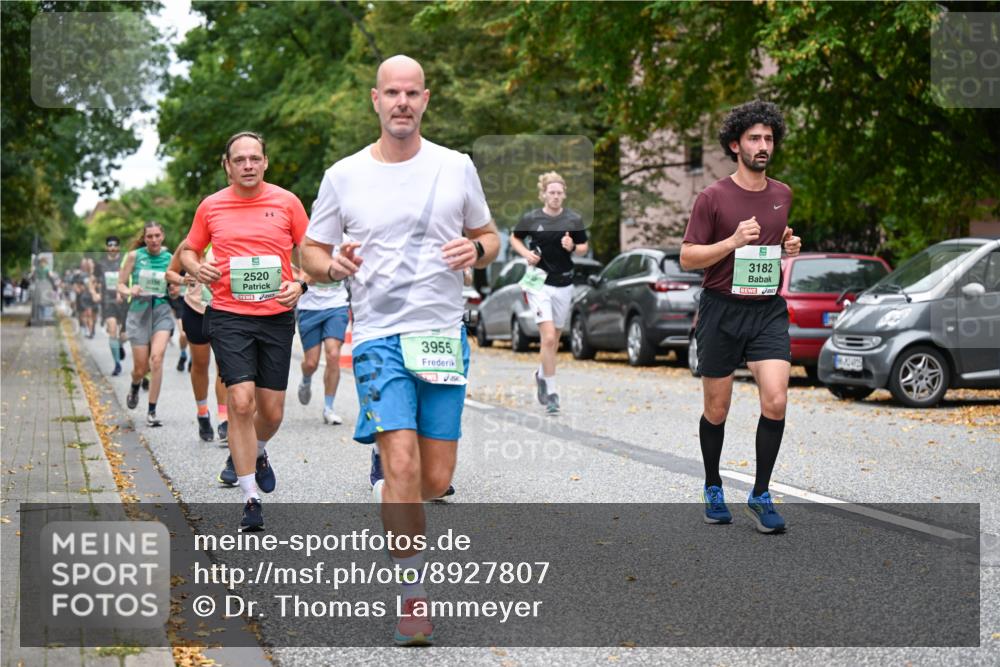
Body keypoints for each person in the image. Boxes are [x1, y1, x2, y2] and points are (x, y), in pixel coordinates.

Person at [302, 54, 499, 646]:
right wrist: (329, 264)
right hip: (379, 338)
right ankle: (412, 596)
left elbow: (488, 234)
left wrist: (479, 253)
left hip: (441, 336)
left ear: (426, 99)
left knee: (434, 480)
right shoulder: (344, 175)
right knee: (405, 466)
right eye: (392, 92)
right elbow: (310, 252)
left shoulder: (456, 166)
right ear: (375, 99)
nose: (402, 102)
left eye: (412, 92)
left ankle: (392, 481)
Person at [679, 100, 801, 534]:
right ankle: (713, 485)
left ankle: (761, 493)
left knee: (776, 399)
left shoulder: (782, 194)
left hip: (767, 309)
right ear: (736, 144)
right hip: (721, 310)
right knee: (717, 409)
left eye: (768, 138)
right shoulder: (712, 197)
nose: (763, 145)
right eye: (754, 138)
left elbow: (774, 239)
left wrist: (787, 246)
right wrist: (731, 241)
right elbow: (689, 256)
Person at [181, 131, 309, 532]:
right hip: (229, 315)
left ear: (265, 163)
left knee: (270, 412)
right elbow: (188, 248)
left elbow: (313, 255)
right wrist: (195, 266)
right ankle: (251, 497)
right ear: (227, 165)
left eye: (255, 158)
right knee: (240, 401)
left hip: (275, 316)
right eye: (240, 160)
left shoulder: (287, 202)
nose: (248, 165)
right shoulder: (212, 206)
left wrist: (301, 282)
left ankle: (259, 451)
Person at [510, 171, 589, 414]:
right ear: (543, 194)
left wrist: (573, 246)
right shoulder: (532, 218)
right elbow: (515, 238)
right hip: (539, 283)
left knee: (554, 338)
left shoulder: (573, 220)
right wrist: (526, 255)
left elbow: (584, 248)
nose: (555, 196)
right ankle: (552, 392)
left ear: (563, 194)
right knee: (548, 338)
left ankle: (541, 375)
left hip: (564, 284)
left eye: (559, 192)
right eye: (551, 192)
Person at [166, 240, 229, 444]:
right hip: (195, 309)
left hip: (223, 311)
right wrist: (184, 281)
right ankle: (203, 414)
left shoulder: (230, 235)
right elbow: (170, 273)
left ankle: (224, 419)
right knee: (201, 364)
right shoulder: (189, 243)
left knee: (224, 366)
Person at [118, 221, 174, 427]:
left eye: (157, 235)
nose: (154, 240)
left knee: (156, 359)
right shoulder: (135, 256)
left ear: (163, 236)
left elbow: (173, 286)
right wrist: (128, 291)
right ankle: (135, 385)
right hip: (139, 312)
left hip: (161, 311)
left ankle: (152, 411)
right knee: (140, 368)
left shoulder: (169, 258)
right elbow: (120, 284)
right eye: (149, 236)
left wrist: (175, 290)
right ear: (145, 238)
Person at [295, 251, 350, 425]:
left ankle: (329, 408)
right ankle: (306, 379)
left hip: (336, 304)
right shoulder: (307, 241)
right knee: (311, 363)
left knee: (333, 354)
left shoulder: (344, 241)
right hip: (309, 307)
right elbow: (298, 271)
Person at [96, 236, 128, 376]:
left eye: (115, 245)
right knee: (112, 331)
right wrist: (95, 293)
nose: (112, 247)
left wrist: (124, 292)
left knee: (125, 335)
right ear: (106, 247)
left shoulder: (125, 262)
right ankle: (117, 364)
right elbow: (94, 281)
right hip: (108, 302)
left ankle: (120, 345)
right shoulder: (101, 264)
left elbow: (130, 280)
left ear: (119, 247)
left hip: (124, 302)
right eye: (110, 245)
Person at [167, 282, 190, 371]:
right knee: (184, 334)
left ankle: (193, 359)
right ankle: (183, 354)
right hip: (179, 306)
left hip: (195, 304)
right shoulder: (175, 268)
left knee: (194, 336)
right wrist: (174, 287)